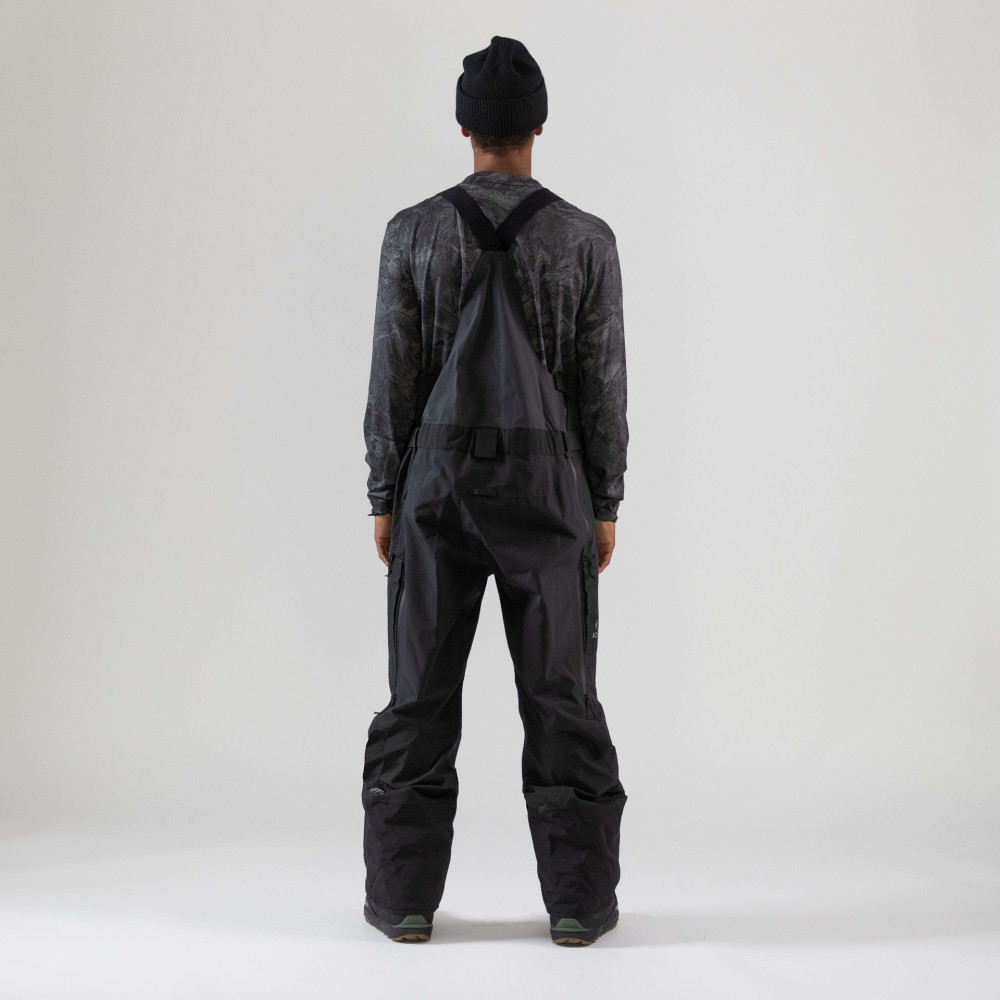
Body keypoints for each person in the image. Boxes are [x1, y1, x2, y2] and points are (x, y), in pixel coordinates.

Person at [360, 35, 628, 946]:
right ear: (538, 126)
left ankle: (404, 901)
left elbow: (393, 378)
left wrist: (384, 495)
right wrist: (604, 503)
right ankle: (578, 904)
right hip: (550, 495)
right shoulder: (587, 240)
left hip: (435, 494)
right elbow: (601, 384)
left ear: (464, 127)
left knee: (419, 696)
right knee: (561, 697)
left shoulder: (412, 233)